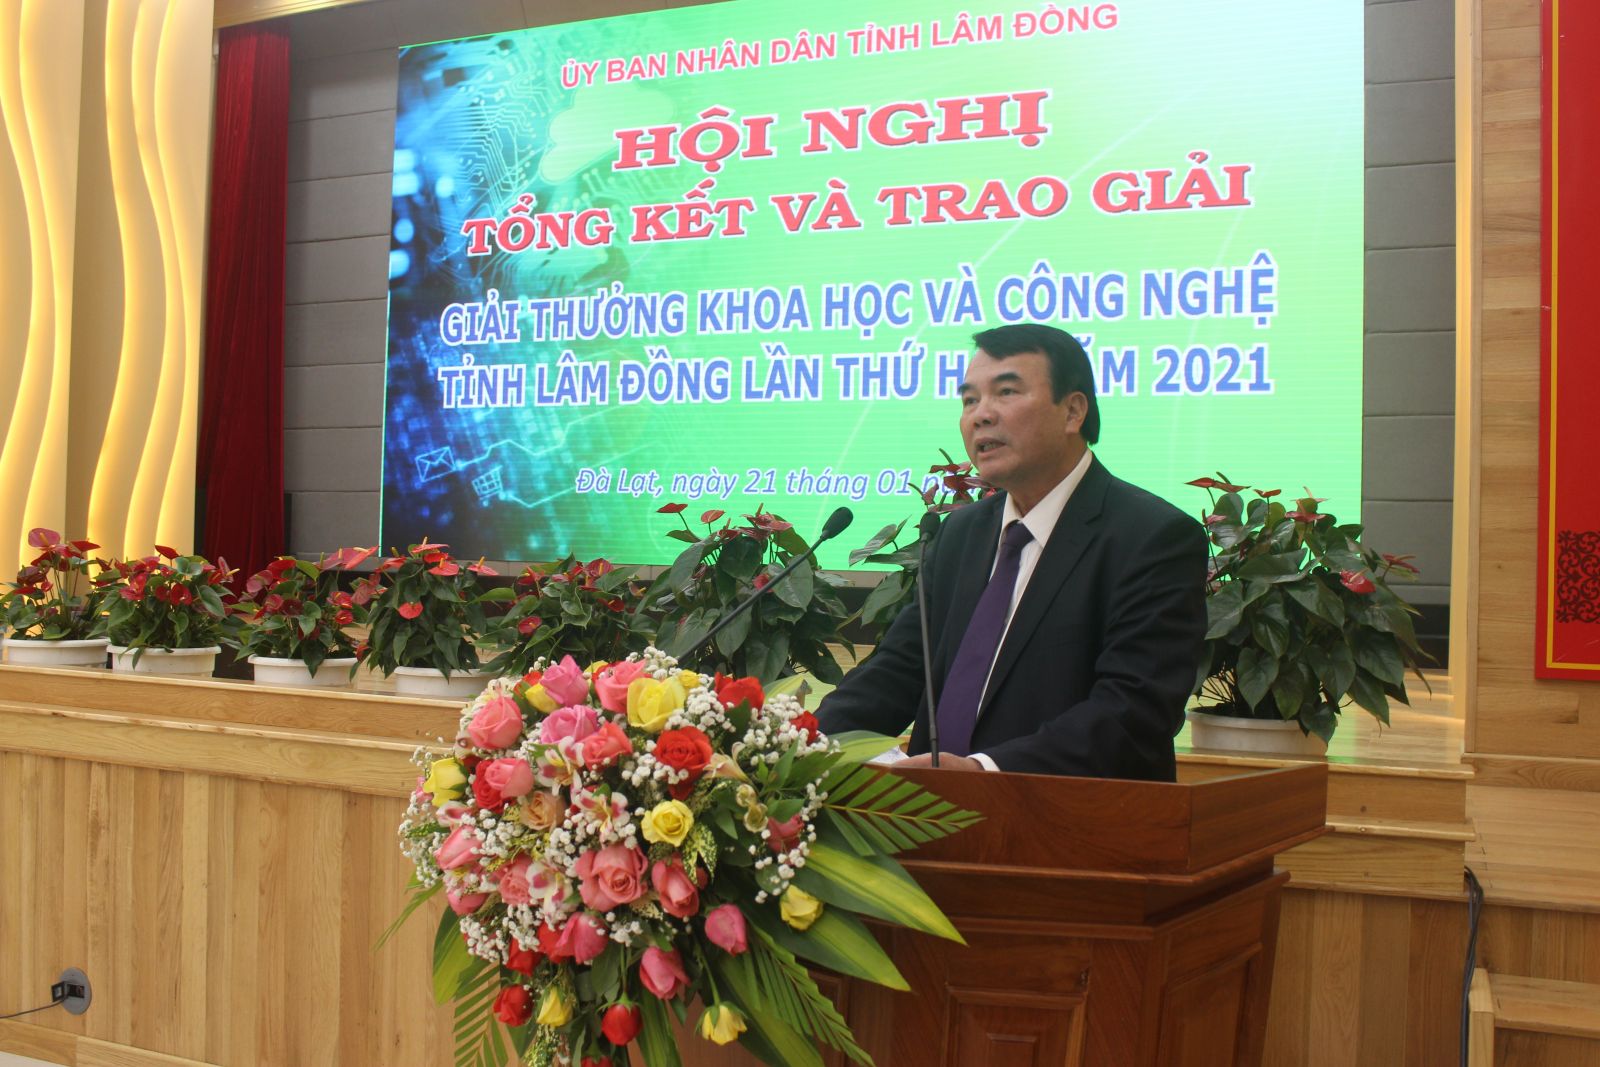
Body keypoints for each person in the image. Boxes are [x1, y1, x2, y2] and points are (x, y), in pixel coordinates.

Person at [816, 323, 1207, 780]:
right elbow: (897, 671)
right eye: (969, 400)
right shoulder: (961, 533)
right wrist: (792, 741)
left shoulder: (1151, 537)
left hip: (1068, 816)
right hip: (928, 813)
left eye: (1005, 392)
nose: (980, 415)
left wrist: (984, 771)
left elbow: (1132, 713)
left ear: (1073, 411)